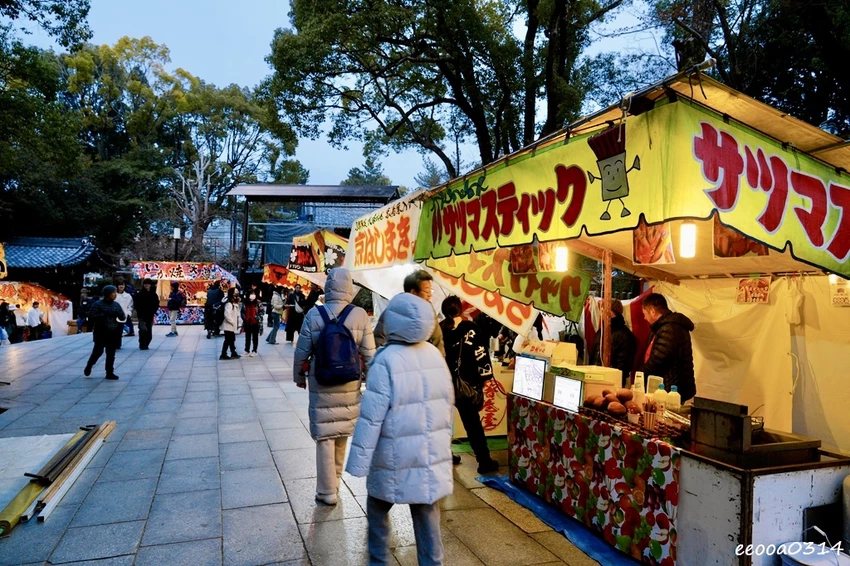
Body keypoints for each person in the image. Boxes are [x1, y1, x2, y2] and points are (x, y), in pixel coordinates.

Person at [346, 293, 454, 566]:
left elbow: (371, 417)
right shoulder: (434, 355)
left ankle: (379, 561)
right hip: (426, 456)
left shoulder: (386, 359)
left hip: (392, 456)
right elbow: (445, 405)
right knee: (427, 514)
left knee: (378, 509)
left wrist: (358, 464)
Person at [293, 268, 376, 505]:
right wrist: (372, 382)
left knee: (325, 437)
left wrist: (299, 376)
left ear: (328, 287)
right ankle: (335, 483)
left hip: (322, 381)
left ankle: (327, 491)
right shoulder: (359, 314)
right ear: (349, 287)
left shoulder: (315, 314)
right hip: (349, 382)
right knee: (341, 434)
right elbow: (369, 354)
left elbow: (302, 351)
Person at [440, 295, 499, 473]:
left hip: (442, 384)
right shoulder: (471, 329)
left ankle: (444, 455)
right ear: (461, 309)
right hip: (466, 385)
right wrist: (484, 379)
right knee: (473, 425)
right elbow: (481, 355)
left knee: (442, 423)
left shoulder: (439, 329)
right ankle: (483, 461)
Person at [374, 270, 445, 356]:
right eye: (427, 291)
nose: (430, 295)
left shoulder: (429, 310)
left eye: (431, 291)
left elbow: (437, 339)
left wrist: (440, 361)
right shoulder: (395, 309)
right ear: (413, 292)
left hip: (421, 362)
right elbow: (379, 338)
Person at [641, 293, 697, 402]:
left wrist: (640, 375)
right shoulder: (662, 327)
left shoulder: (671, 328)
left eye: (645, 313)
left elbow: (658, 360)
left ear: (652, 311)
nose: (644, 317)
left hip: (672, 388)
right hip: (667, 386)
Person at [590, 300, 637, 388]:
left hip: (612, 383)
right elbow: (593, 356)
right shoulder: (601, 332)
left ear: (611, 313)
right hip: (593, 379)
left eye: (603, 310)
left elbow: (624, 366)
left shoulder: (626, 336)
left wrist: (610, 377)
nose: (601, 313)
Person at [84, 285, 125, 380]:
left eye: (115, 293)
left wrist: (118, 314)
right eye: (113, 293)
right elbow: (91, 316)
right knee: (98, 351)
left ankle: (109, 372)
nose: (115, 295)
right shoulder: (98, 304)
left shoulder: (116, 305)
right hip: (101, 331)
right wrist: (103, 315)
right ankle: (90, 364)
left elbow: (122, 317)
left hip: (113, 331)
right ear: (107, 294)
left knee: (111, 353)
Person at [135, 278, 160, 351]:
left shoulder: (153, 294)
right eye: (145, 284)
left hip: (150, 315)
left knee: (149, 331)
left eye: (148, 284)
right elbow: (136, 304)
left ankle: (146, 344)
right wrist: (139, 311)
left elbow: (156, 303)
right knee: (143, 329)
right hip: (141, 315)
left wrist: (154, 311)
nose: (147, 285)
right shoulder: (140, 294)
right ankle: (142, 343)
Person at [220, 288, 242, 360]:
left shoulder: (234, 303)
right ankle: (223, 354)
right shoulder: (229, 303)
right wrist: (232, 322)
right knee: (228, 340)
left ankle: (233, 352)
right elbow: (227, 314)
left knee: (232, 339)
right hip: (228, 325)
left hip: (231, 325)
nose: (237, 293)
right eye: (236, 292)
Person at [242, 290, 262, 357]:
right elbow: (242, 311)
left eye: (253, 294)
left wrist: (257, 317)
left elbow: (262, 311)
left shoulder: (258, 302)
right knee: (247, 337)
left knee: (255, 337)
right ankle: (247, 350)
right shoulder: (245, 303)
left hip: (255, 322)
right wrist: (244, 318)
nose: (252, 295)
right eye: (251, 294)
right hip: (247, 322)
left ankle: (254, 350)